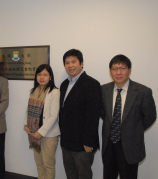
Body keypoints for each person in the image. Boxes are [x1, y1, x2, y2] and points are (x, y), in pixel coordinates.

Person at [101, 55, 156, 179]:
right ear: (110, 71)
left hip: (130, 146)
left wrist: (133, 129)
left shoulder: (143, 92)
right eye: (115, 69)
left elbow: (150, 117)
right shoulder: (104, 90)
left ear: (129, 70)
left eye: (123, 68)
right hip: (109, 145)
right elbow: (103, 113)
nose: (119, 72)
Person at [59, 49, 102, 179]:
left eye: (74, 61)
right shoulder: (64, 84)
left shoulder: (92, 84)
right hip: (67, 141)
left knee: (84, 175)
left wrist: (89, 141)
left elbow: (93, 115)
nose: (70, 65)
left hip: (83, 144)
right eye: (67, 62)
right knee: (70, 174)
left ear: (81, 63)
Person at [24, 64, 60, 179]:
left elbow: (53, 116)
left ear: (50, 77)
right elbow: (28, 110)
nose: (42, 77)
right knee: (39, 164)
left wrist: (40, 132)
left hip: (48, 135)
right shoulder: (34, 91)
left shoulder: (54, 92)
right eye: (39, 74)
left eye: (45, 74)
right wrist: (26, 124)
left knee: (48, 165)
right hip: (33, 133)